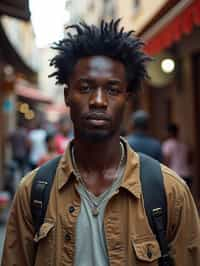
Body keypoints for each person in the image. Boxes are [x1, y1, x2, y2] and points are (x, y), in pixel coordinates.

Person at [2, 19, 200, 266]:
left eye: (112, 90)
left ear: (126, 99)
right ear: (67, 96)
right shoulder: (33, 192)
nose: (98, 100)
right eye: (85, 88)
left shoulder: (170, 193)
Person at [162, 123, 193, 188]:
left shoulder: (167, 144)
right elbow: (190, 160)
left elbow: (167, 161)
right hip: (186, 175)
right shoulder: (184, 145)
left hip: (174, 175)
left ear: (169, 132)